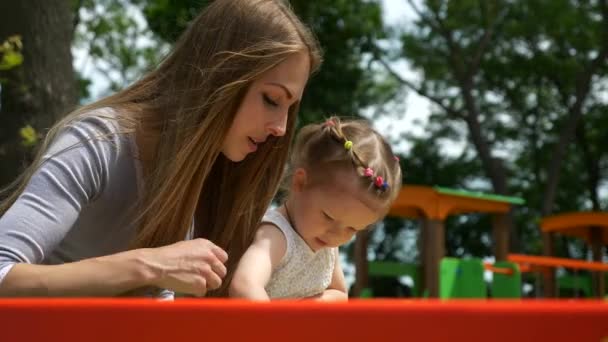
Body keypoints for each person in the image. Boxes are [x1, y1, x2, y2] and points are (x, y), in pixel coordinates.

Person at [0, 0, 322, 298]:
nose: (280, 128)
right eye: (271, 100)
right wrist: (148, 266)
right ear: (221, 76)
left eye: (289, 109)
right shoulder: (98, 142)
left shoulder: (210, 174)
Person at [229, 117, 402, 300]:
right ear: (300, 182)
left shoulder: (326, 244)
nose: (336, 234)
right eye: (328, 216)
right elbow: (244, 286)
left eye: (352, 229)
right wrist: (278, 325)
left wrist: (306, 309)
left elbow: (339, 294)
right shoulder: (276, 236)